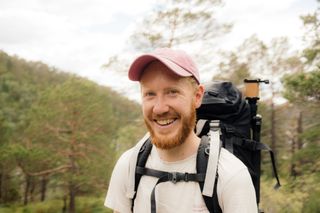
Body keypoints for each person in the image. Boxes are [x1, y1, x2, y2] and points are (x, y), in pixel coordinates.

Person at [104, 48, 257, 213]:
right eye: (150, 94)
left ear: (197, 96)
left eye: (172, 92)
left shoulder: (231, 175)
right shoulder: (128, 165)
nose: (160, 108)